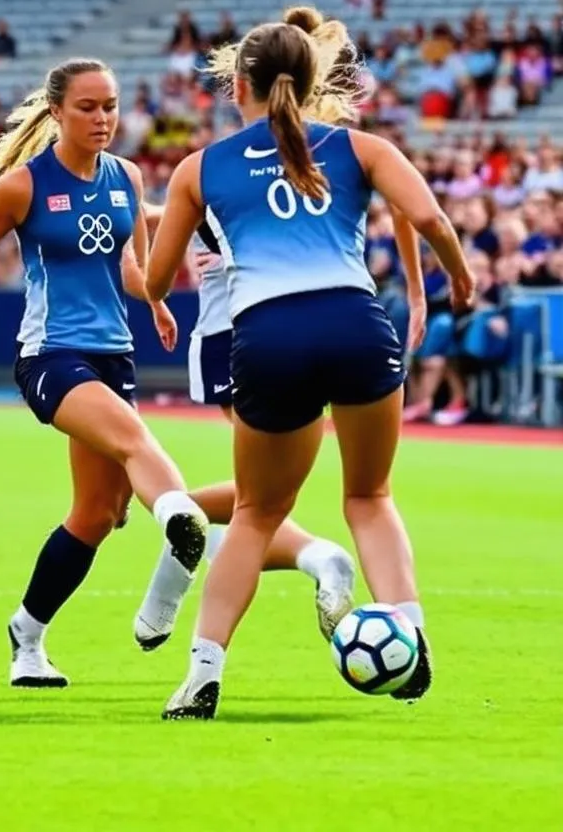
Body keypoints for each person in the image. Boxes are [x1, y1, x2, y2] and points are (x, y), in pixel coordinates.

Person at [145, 6, 474, 719]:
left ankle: (202, 673)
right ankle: (410, 636)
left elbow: (156, 273)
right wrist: (460, 279)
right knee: (370, 497)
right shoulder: (360, 147)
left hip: (267, 335)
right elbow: (433, 221)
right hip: (356, 323)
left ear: (239, 85)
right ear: (315, 79)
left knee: (257, 511)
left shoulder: (199, 168)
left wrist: (158, 296)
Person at [0, 58, 211, 689]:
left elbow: (133, 270)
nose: (102, 118)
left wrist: (159, 303)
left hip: (115, 354)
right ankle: (179, 536)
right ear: (56, 111)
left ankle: (26, 635)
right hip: (51, 356)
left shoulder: (127, 179)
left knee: (98, 514)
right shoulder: (21, 187)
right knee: (138, 441)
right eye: (88, 107)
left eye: (110, 105)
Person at [132, 61, 430, 652]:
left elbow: (405, 210)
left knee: (252, 503)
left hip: (244, 330)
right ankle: (196, 540)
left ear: (242, 84)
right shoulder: (337, 148)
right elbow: (414, 211)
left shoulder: (239, 156)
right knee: (290, 496)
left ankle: (201, 553)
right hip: (315, 325)